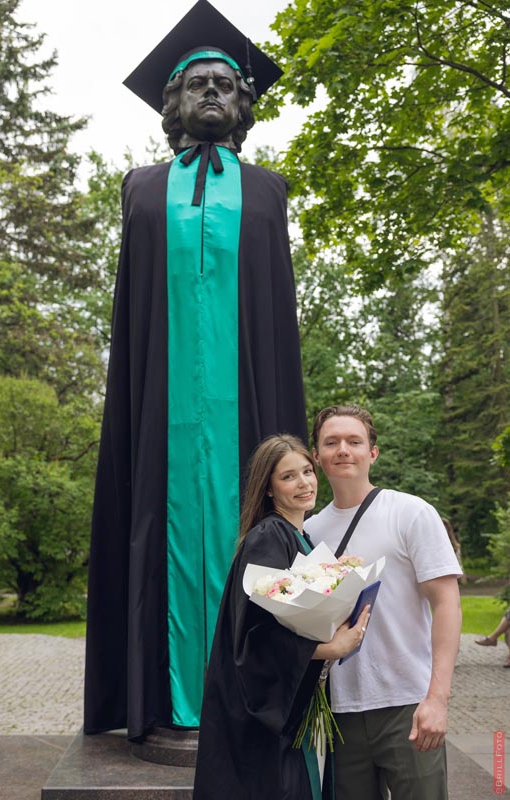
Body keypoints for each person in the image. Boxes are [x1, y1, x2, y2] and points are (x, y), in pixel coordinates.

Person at [83, 0, 308, 741]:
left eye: (225, 84)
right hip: (164, 402)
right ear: (171, 102)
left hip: (248, 401)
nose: (211, 92)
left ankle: (252, 701)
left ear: (244, 104)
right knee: (164, 527)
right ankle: (166, 701)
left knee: (253, 514)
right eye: (195, 83)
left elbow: (273, 310)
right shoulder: (141, 186)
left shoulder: (268, 190)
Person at [193, 434, 371, 800]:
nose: (304, 483)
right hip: (265, 719)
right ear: (269, 489)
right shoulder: (269, 536)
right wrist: (328, 648)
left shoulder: (298, 535)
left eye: (307, 471)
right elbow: (256, 635)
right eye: (288, 476)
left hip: (295, 704)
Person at [305, 404, 462, 800]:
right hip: (339, 709)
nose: (343, 449)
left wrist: (437, 699)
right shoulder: (308, 531)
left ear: (372, 452)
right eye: (331, 442)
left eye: (354, 441)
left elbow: (447, 604)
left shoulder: (411, 513)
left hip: (408, 702)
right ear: (317, 456)